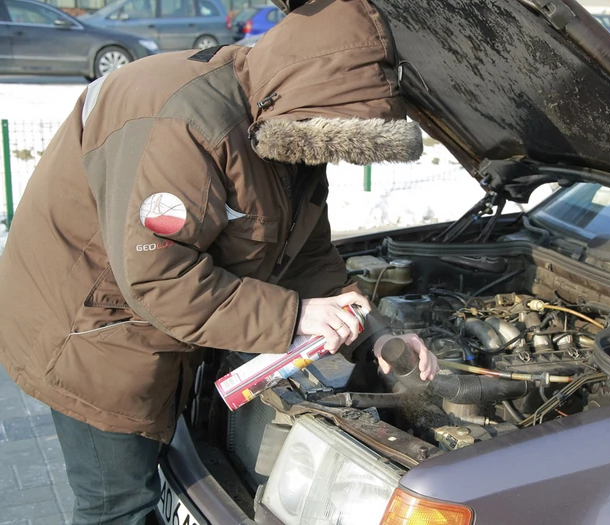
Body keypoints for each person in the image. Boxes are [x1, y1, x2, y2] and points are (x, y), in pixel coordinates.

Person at [0, 0, 439, 523]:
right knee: (118, 505)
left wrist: (374, 335)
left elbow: (310, 255)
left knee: (158, 480)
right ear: (305, 100)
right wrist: (294, 315)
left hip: (157, 328)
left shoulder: (286, 123)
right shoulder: (183, 124)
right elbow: (159, 278)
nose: (328, 157)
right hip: (91, 336)